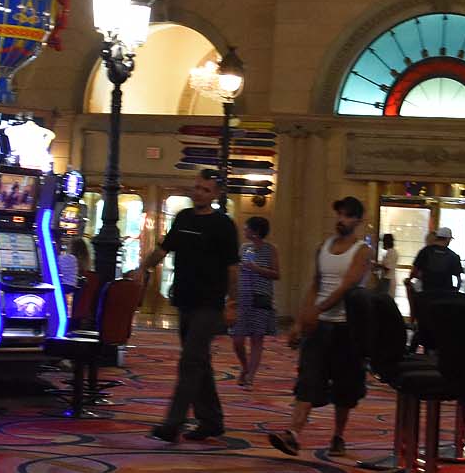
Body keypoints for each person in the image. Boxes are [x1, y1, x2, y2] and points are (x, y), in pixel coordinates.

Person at [264, 196, 371, 458]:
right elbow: (315, 285)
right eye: (339, 214)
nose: (341, 220)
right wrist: (300, 321)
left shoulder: (362, 251)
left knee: (345, 385)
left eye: (347, 216)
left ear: (358, 221)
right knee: (308, 379)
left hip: (346, 327)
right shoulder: (323, 247)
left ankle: (338, 436)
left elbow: (347, 286)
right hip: (319, 326)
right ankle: (293, 434)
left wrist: (317, 310)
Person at [142, 172, 241, 444]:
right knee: (199, 362)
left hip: (210, 304)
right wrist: (142, 269)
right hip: (185, 300)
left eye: (205, 190)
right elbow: (163, 249)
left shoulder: (223, 225)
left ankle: (172, 424)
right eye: (197, 188)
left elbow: (233, 268)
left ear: (215, 194)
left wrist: (232, 303)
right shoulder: (183, 218)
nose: (199, 193)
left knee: (190, 362)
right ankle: (211, 420)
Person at [228, 215, 280, 388]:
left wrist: (256, 268)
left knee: (257, 339)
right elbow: (236, 269)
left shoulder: (271, 249)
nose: (244, 230)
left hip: (261, 297)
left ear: (256, 231)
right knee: (237, 339)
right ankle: (245, 367)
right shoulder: (244, 248)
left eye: (247, 228)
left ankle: (250, 376)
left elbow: (276, 274)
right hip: (243, 296)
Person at [405, 227, 465, 345]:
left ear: (437, 238)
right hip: (444, 298)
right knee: (441, 325)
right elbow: (458, 280)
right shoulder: (453, 256)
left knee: (424, 322)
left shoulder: (425, 252)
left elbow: (414, 271)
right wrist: (454, 292)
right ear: (448, 239)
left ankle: (421, 345)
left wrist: (410, 280)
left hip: (426, 295)